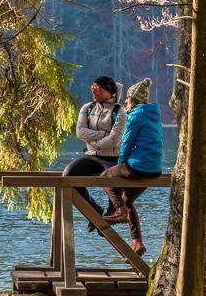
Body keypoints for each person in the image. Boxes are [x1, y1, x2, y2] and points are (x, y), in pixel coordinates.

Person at [103, 78, 162, 255]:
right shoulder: (154, 117)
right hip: (155, 170)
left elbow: (127, 143)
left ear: (132, 99)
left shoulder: (136, 115)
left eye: (127, 99)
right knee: (128, 200)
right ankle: (137, 242)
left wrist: (121, 165)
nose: (126, 102)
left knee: (105, 176)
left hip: (138, 167)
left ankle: (119, 209)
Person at [63, 76, 123, 226]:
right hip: (91, 156)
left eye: (97, 89)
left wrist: (93, 142)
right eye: (92, 88)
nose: (93, 92)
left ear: (108, 91)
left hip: (112, 157)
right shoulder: (87, 108)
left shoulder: (120, 111)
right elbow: (80, 132)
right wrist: (102, 136)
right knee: (68, 175)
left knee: (113, 180)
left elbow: (115, 139)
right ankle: (94, 210)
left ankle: (111, 215)